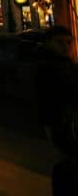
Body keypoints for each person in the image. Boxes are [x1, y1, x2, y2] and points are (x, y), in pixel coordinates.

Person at [35, 25, 78, 195]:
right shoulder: (48, 68)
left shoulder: (68, 64)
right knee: (65, 163)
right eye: (60, 42)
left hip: (66, 121)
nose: (66, 47)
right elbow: (49, 99)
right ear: (48, 43)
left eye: (69, 42)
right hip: (60, 122)